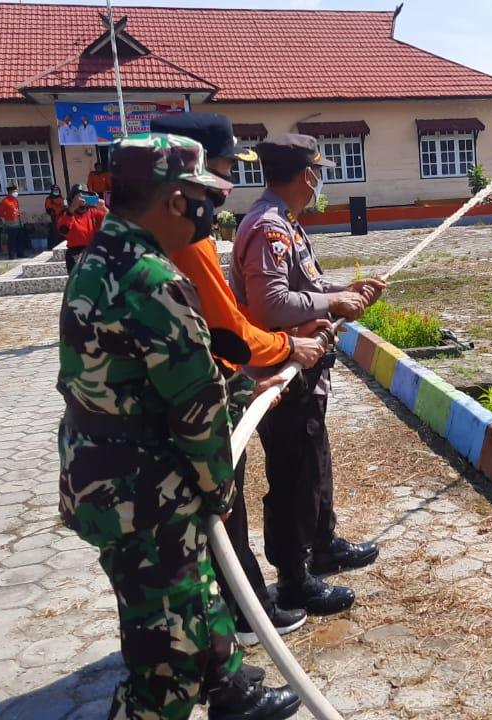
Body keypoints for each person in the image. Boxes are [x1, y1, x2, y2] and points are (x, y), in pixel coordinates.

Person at [57, 133, 301, 720]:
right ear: (174, 201)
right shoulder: (151, 280)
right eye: (204, 199)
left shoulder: (100, 256)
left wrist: (247, 388)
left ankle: (229, 689)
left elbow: (145, 376)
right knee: (166, 648)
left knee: (190, 594)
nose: (210, 212)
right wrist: (218, 487)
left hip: (100, 472)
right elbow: (193, 408)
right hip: (144, 491)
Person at [152, 112, 333, 646]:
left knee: (219, 514)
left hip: (207, 392)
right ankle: (243, 614)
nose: (226, 186)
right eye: (223, 169)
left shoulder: (157, 240)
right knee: (220, 514)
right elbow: (232, 322)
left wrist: (237, 379)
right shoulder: (186, 242)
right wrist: (283, 349)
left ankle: (237, 615)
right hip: (187, 416)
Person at [231, 135, 385, 616]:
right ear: (306, 175)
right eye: (318, 172)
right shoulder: (268, 229)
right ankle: (295, 577)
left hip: (305, 366)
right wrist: (332, 302)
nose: (320, 181)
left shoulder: (286, 225)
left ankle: (323, 543)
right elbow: (270, 304)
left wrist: (346, 292)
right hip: (282, 369)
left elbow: (308, 288)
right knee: (293, 473)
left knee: (314, 459)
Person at [56, 184, 106, 274]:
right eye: (79, 197)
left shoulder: (94, 211)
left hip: (93, 252)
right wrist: (72, 208)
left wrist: (104, 208)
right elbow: (63, 230)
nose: (82, 200)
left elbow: (113, 223)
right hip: (75, 253)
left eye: (85, 196)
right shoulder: (67, 214)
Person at [0, 185, 24, 259]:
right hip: (11, 222)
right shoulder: (5, 201)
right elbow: (0, 212)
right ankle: (12, 255)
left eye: (16, 191)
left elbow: (16, 210)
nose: (16, 193)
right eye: (14, 191)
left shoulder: (15, 200)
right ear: (9, 192)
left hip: (18, 221)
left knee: (19, 238)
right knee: (12, 239)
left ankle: (20, 253)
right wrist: (7, 218)